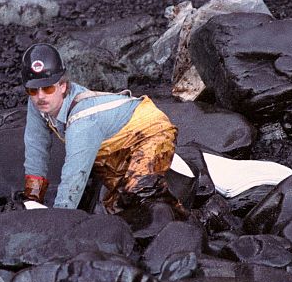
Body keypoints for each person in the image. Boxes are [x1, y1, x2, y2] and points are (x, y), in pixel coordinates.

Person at [20, 42, 187, 226]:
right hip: (113, 145)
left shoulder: (82, 120)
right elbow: (36, 146)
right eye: (33, 90)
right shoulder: (37, 104)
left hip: (150, 132)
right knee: (116, 209)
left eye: (48, 88)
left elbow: (75, 176)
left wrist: (59, 221)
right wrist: (32, 199)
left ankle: (182, 222)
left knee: (139, 190)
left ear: (63, 86)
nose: (40, 96)